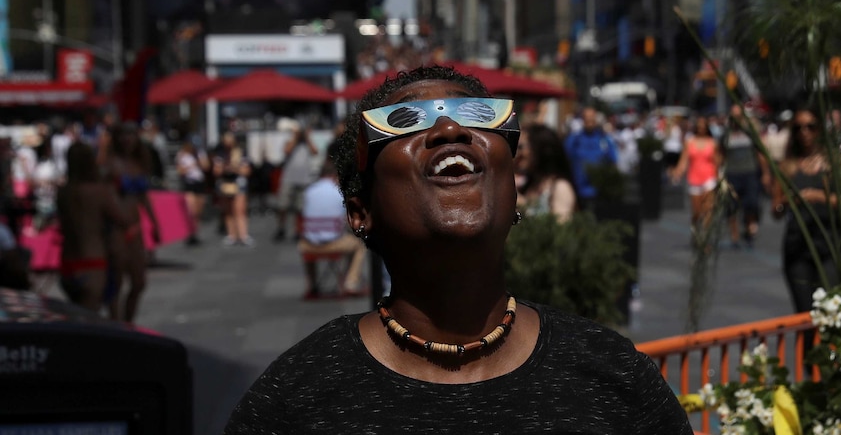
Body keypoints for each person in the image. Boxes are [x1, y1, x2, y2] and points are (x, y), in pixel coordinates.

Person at [224, 65, 693, 434]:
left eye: (478, 115)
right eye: (404, 121)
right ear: (360, 211)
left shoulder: (615, 378)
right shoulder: (295, 399)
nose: (450, 128)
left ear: (513, 190)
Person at [772, 107, 841, 315]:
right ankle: (807, 348)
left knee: (830, 310)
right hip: (798, 247)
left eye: (810, 127)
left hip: (829, 245)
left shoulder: (835, 163)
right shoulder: (787, 166)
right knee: (805, 313)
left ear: (819, 130)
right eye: (798, 128)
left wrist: (818, 197)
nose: (804, 132)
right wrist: (789, 202)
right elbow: (776, 209)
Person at [56, 142, 133, 312]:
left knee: (76, 315)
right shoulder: (99, 192)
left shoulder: (63, 192)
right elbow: (123, 219)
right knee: (90, 320)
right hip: (92, 262)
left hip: (68, 262)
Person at [104, 122, 161, 322]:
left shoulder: (139, 163)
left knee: (139, 282)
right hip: (116, 228)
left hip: (134, 227)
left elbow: (144, 197)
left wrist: (155, 223)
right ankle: (116, 323)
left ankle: (128, 321)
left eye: (131, 134)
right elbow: (105, 197)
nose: (127, 139)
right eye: (123, 134)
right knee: (116, 282)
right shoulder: (109, 164)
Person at [297, 144, 367, 298]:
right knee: (359, 245)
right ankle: (351, 282)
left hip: (308, 245)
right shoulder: (339, 193)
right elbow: (347, 220)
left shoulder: (309, 191)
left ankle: (313, 284)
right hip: (333, 244)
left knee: (308, 239)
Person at [721, 105, 769, 248]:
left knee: (751, 203)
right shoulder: (727, 134)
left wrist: (766, 172)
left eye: (738, 116)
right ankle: (735, 236)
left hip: (749, 172)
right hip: (732, 173)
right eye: (733, 116)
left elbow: (760, 154)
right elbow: (721, 154)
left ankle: (749, 226)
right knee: (732, 207)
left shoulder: (749, 133)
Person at [514, 123, 577, 221]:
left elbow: (562, 231)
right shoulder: (530, 185)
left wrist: (524, 206)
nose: (517, 154)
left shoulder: (560, 187)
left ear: (539, 149)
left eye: (521, 147)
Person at [563, 106, 618, 211]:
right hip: (578, 191)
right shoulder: (574, 140)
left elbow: (613, 161)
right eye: (586, 118)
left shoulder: (604, 140)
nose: (589, 121)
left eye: (592, 118)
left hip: (600, 191)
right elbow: (565, 159)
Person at [671, 116, 720, 230]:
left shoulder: (712, 143)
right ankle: (696, 229)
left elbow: (716, 161)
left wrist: (719, 177)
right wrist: (678, 172)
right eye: (699, 127)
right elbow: (684, 160)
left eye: (703, 127)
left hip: (709, 177)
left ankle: (706, 237)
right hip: (694, 178)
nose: (701, 129)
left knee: (708, 209)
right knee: (697, 211)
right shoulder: (690, 142)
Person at [273, 126, 318, 242]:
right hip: (289, 178)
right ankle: (281, 228)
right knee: (282, 205)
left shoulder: (307, 143)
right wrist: (295, 137)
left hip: (304, 179)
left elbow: (315, 152)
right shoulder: (290, 141)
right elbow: (286, 150)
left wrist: (307, 138)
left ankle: (298, 231)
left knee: (300, 208)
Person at [212, 132, 253, 247]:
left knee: (240, 210)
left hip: (238, 183)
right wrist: (225, 168)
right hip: (225, 183)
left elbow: (246, 171)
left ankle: (243, 234)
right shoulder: (220, 155)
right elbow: (216, 171)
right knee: (228, 210)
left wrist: (235, 168)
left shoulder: (241, 153)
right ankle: (231, 234)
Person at [176, 140, 209, 246]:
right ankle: (189, 233)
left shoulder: (200, 153)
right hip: (189, 183)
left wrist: (199, 160)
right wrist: (191, 166)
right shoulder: (182, 155)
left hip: (199, 183)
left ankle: (195, 232)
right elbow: (180, 171)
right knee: (191, 210)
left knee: (198, 211)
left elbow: (206, 166)